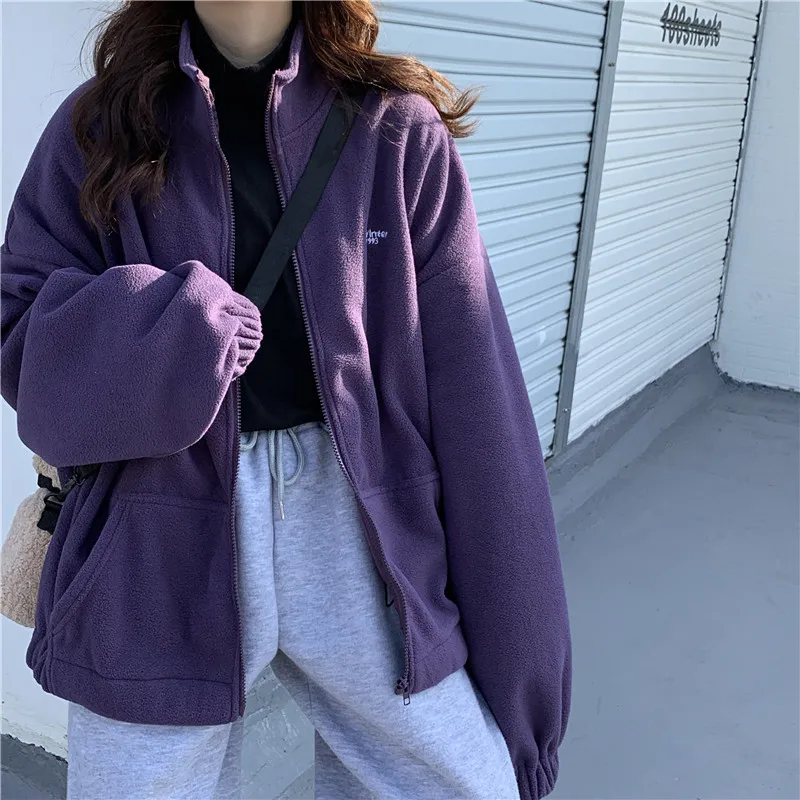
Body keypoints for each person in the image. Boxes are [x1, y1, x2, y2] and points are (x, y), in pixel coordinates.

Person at [0, 1, 571, 798]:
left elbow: (480, 403)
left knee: (458, 782)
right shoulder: (101, 125)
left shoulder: (395, 132)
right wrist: (182, 328)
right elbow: (22, 335)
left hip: (357, 520)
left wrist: (527, 693)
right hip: (155, 523)